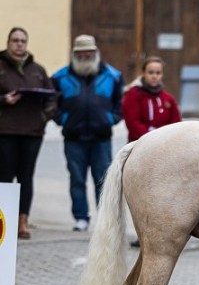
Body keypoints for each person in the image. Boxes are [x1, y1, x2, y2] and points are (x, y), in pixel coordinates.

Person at [52, 34, 123, 232]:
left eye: (89, 52)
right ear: (74, 54)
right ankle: (80, 218)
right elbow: (51, 105)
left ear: (96, 53)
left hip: (101, 138)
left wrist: (110, 119)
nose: (85, 55)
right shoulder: (59, 77)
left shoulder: (113, 76)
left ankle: (105, 220)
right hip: (73, 138)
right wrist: (63, 120)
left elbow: (119, 104)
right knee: (77, 180)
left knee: (104, 180)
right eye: (81, 52)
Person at [0, 27, 56, 239]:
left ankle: (22, 222)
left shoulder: (38, 70)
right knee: (4, 177)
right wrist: (4, 100)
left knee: (26, 176)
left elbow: (51, 98)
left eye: (23, 40)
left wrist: (44, 118)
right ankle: (3, 220)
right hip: (5, 130)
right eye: (15, 40)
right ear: (8, 42)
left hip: (32, 132)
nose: (19, 44)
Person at [123, 56, 182, 247]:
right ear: (144, 74)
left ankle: (164, 232)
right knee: (144, 197)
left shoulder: (168, 99)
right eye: (150, 72)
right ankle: (142, 234)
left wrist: (165, 141)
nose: (154, 76)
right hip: (141, 152)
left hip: (165, 156)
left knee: (164, 196)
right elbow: (133, 123)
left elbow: (176, 126)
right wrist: (154, 137)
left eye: (158, 73)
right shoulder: (133, 96)